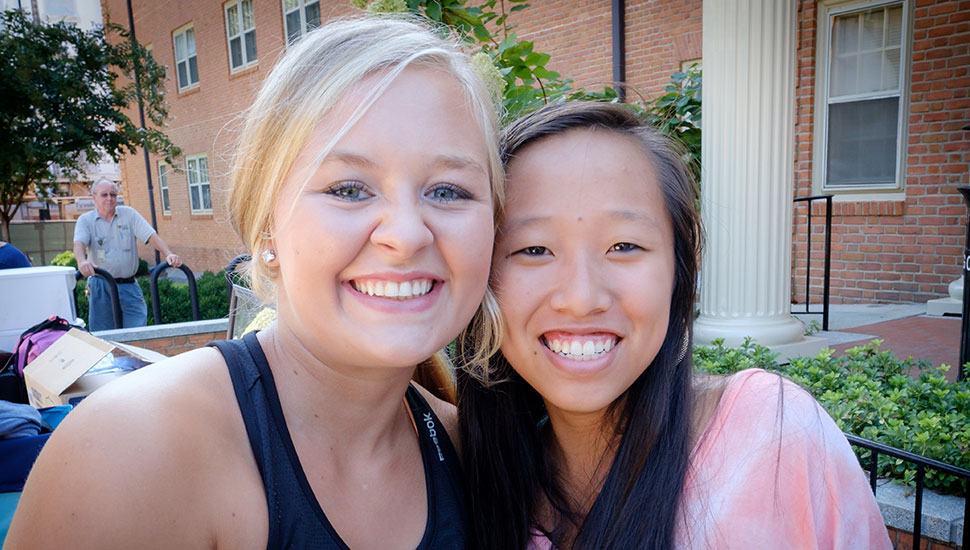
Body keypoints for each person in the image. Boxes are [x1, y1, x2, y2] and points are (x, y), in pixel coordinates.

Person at [8, 16, 502, 549]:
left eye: (450, 191)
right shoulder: (131, 455)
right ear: (266, 223)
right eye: (350, 188)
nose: (406, 235)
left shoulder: (475, 455)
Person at [457, 102, 892, 549]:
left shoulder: (772, 437)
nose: (583, 299)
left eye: (624, 245)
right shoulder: (473, 484)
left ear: (679, 272)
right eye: (534, 249)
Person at [72, 179, 182, 331]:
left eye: (113, 194)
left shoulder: (128, 214)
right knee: (104, 335)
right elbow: (79, 244)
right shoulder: (86, 220)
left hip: (129, 285)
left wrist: (168, 254)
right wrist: (82, 262)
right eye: (104, 195)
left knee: (137, 331)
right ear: (94, 197)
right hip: (101, 285)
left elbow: (151, 236)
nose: (109, 198)